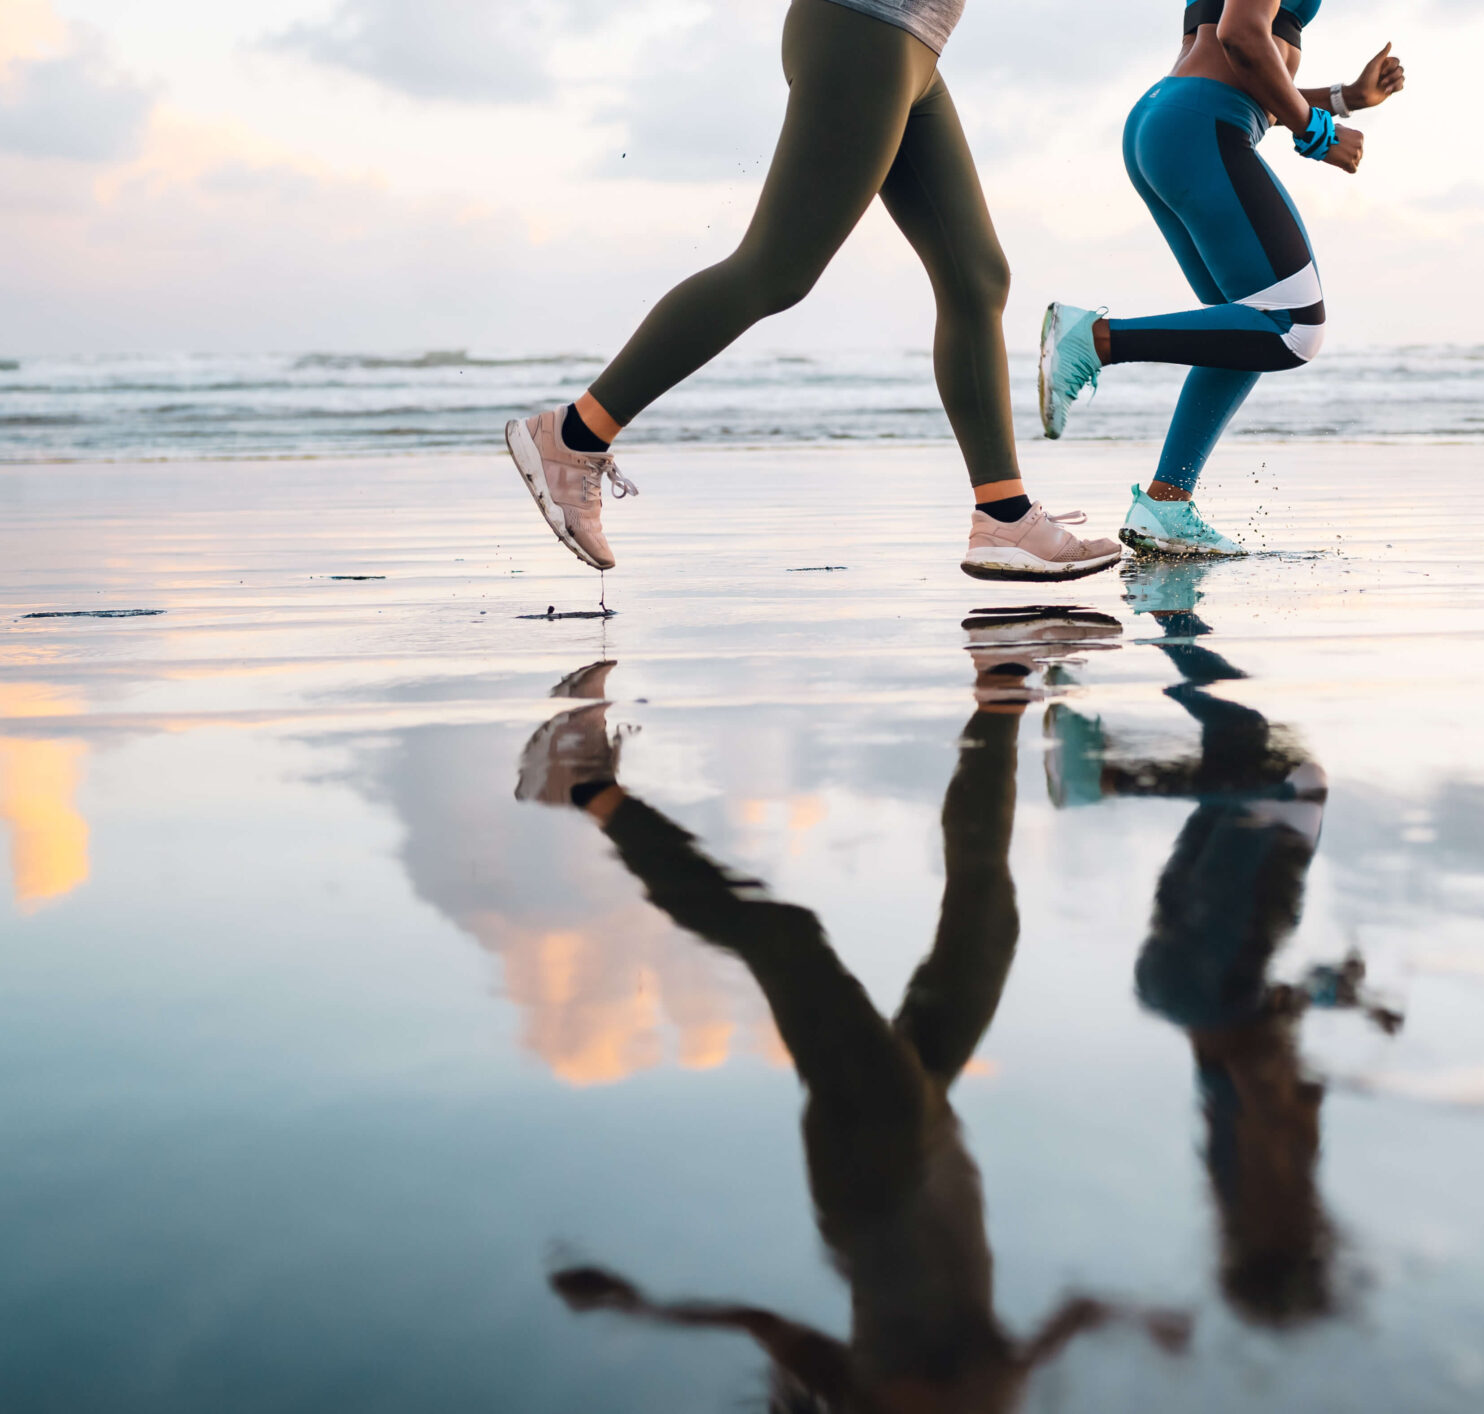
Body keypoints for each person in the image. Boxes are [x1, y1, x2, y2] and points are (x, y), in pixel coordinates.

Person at [521, 614, 1188, 1412]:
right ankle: (1002, 689)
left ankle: (588, 789)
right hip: (930, 1133)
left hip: (872, 1169)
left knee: (787, 941)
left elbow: (761, 1328)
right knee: (986, 918)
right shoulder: (992, 1394)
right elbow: (1068, 1320)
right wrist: (1134, 1317)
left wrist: (641, 1306)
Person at [502, 0, 1122, 583]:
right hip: (863, 30)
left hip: (913, 46)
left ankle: (1004, 516)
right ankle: (575, 435)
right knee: (775, 269)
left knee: (977, 277)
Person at [1045, 566, 1401, 1324]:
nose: (1334, 1249)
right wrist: (1337, 993)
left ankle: (1106, 772)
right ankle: (1168, 611)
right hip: (1180, 985)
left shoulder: (1276, 1181)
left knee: (1289, 779)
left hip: (1219, 974)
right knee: (1244, 752)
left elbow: (1254, 1061)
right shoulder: (1241, 1188)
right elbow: (1262, 1036)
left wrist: (1297, 1057)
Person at [1034, 0, 1408, 556]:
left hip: (1177, 121)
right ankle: (1094, 341)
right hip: (1202, 125)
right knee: (1293, 327)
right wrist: (1319, 134)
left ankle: (1166, 505)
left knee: (1242, 337)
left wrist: (1344, 100)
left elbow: (1246, 64)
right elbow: (1241, 35)